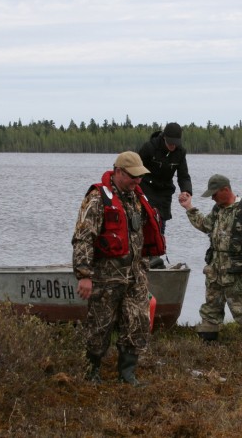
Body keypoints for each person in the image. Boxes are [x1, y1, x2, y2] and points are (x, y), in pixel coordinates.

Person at [71, 151, 166, 386]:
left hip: (135, 275)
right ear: (119, 172)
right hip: (106, 277)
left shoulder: (136, 198)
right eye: (133, 177)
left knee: (137, 322)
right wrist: (84, 275)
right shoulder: (97, 198)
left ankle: (127, 374)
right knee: (99, 326)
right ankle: (91, 372)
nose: (137, 181)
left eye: (140, 177)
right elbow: (83, 238)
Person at [178, 174, 242, 344]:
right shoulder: (217, 209)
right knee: (211, 308)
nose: (213, 199)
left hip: (236, 270)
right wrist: (189, 207)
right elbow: (205, 225)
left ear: (226, 190)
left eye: (215, 194)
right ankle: (208, 339)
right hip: (215, 269)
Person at [138, 122, 193, 234]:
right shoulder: (149, 147)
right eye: (170, 143)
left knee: (160, 228)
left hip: (164, 192)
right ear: (164, 138)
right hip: (146, 189)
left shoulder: (181, 152)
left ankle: (159, 248)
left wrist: (186, 191)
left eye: (175, 143)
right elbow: (136, 168)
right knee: (144, 224)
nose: (173, 146)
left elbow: (184, 176)